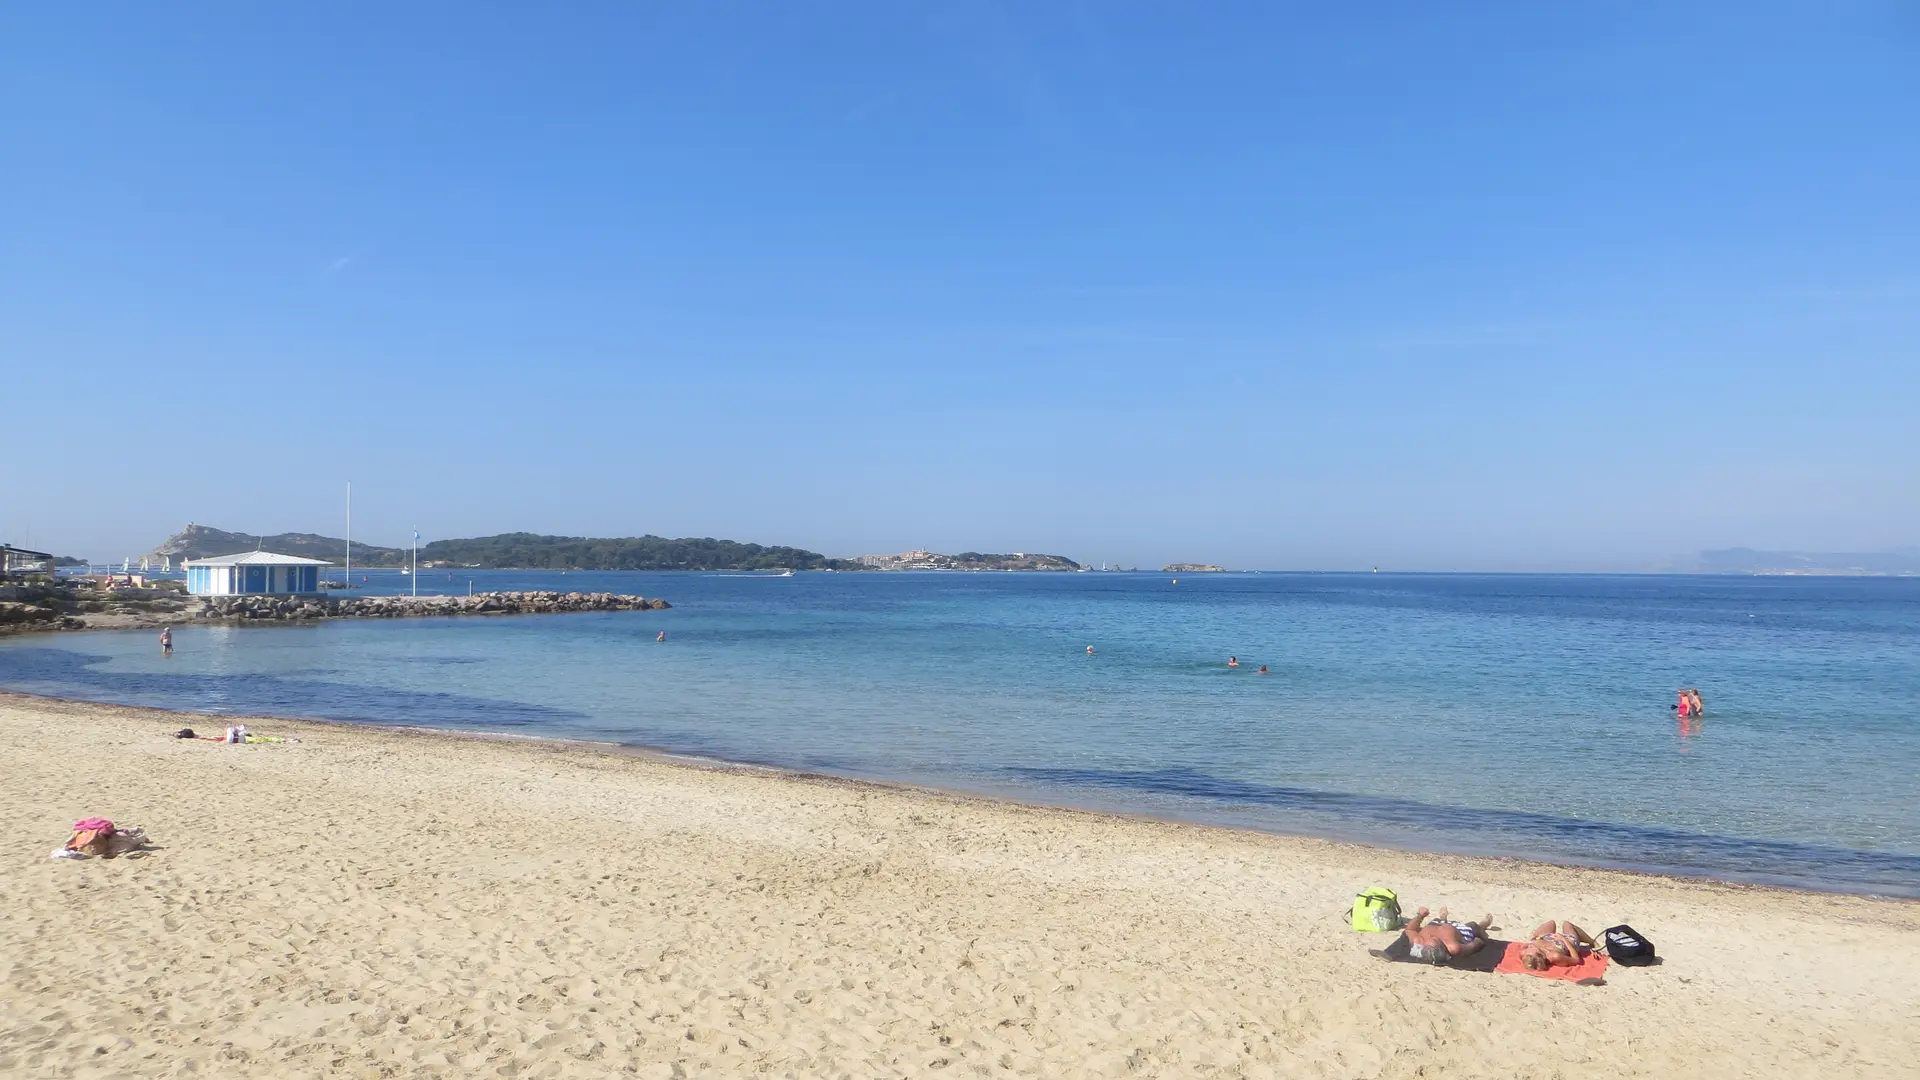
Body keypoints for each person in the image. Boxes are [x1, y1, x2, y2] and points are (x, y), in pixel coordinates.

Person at [1404, 906, 1492, 963]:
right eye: (1435, 940)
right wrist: (1482, 940)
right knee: (1473, 926)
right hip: (1460, 930)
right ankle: (1482, 926)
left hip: (1436, 924)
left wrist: (1420, 915)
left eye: (1431, 939)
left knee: (1437, 922)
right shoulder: (1453, 947)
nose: (1432, 936)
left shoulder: (1418, 941)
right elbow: (1474, 945)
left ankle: (1443, 918)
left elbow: (1409, 929)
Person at [1519, 920, 1596, 970]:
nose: (1529, 947)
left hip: (1546, 938)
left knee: (1551, 923)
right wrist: (1564, 939)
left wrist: (1532, 940)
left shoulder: (1523, 953)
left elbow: (1526, 946)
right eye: (1530, 949)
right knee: (1567, 924)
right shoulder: (1554, 956)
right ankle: (1592, 941)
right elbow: (1576, 960)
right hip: (1567, 941)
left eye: (1527, 951)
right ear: (1539, 955)